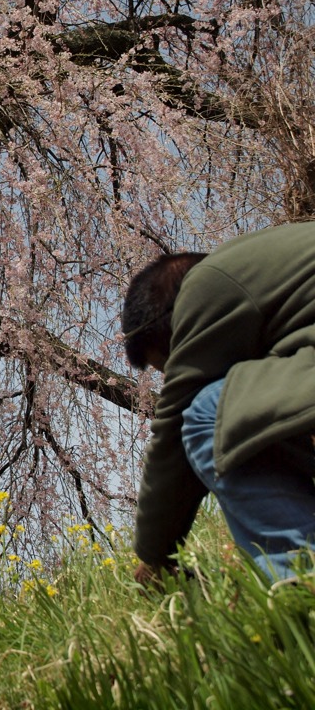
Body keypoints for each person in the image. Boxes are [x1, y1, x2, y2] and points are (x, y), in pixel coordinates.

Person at [122, 222, 315, 585]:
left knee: (209, 409)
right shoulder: (270, 268)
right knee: (255, 408)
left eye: (172, 364)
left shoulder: (207, 283)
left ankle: (306, 574)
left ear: (174, 322)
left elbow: (175, 423)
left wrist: (154, 556)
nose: (172, 378)